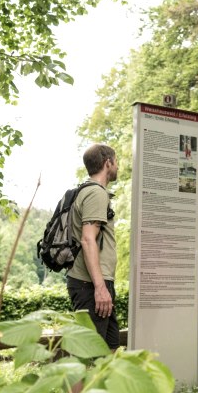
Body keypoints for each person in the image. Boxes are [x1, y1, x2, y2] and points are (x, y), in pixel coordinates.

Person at [66, 143, 120, 360]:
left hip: (98, 282)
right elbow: (88, 239)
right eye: (116, 162)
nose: (118, 166)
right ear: (108, 163)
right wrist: (99, 288)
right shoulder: (96, 194)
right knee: (84, 354)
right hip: (90, 284)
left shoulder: (87, 191)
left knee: (110, 347)